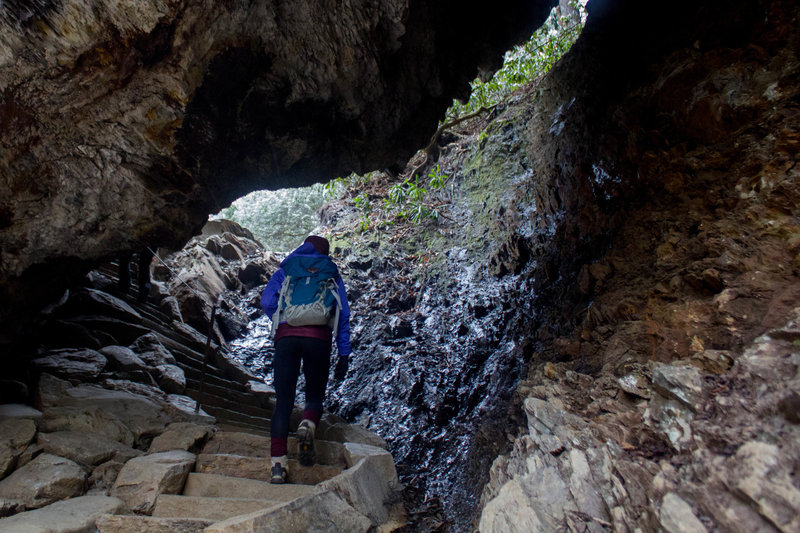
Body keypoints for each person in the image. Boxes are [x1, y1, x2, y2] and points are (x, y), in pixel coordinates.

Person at [260, 235, 351, 484]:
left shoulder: (287, 269)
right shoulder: (330, 272)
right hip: (318, 339)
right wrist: (344, 354)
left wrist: (281, 321)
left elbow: (266, 301)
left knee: (283, 402)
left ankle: (278, 466)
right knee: (314, 396)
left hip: (286, 339)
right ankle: (308, 425)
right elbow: (343, 314)